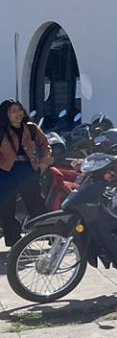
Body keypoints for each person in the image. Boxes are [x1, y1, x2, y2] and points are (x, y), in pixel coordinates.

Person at [0, 99, 49, 247]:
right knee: (6, 208)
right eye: (14, 111)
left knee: (36, 203)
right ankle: (14, 241)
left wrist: (44, 163)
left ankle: (51, 235)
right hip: (6, 171)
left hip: (27, 169)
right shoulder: (1, 130)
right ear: (5, 114)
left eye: (19, 110)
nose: (18, 114)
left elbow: (45, 145)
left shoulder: (31, 128)